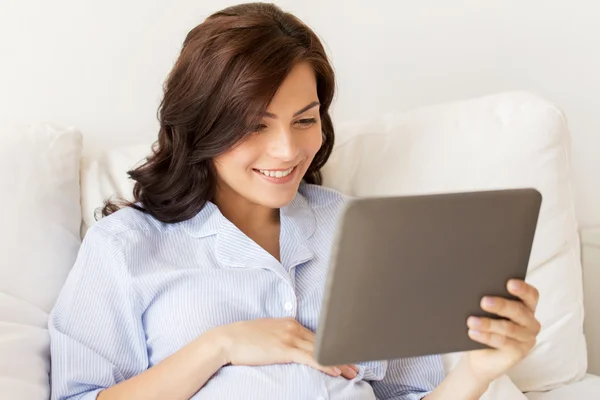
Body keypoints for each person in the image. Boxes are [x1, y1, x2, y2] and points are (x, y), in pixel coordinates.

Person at [48, 3, 542, 400]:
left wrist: (478, 371)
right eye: (255, 125)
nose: (287, 151)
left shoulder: (365, 231)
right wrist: (220, 346)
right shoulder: (125, 246)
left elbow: (410, 392)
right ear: (203, 124)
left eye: (305, 120)